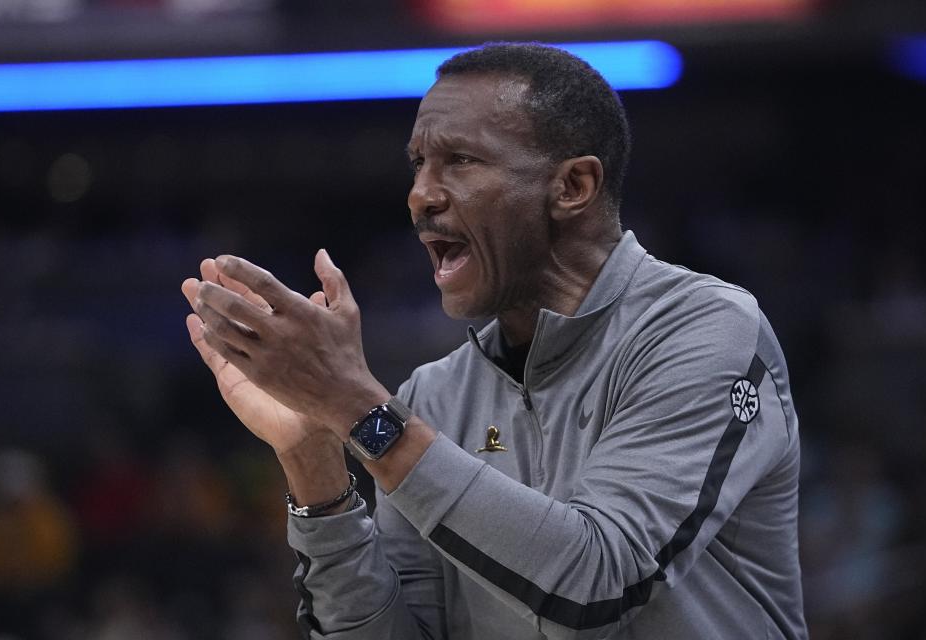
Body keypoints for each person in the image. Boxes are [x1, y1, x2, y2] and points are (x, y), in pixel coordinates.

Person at [181, 43, 807, 639]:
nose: (421, 195)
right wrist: (313, 455)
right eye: (418, 165)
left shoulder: (704, 330)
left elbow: (597, 585)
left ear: (572, 187)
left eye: (460, 160)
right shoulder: (431, 395)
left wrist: (354, 407)